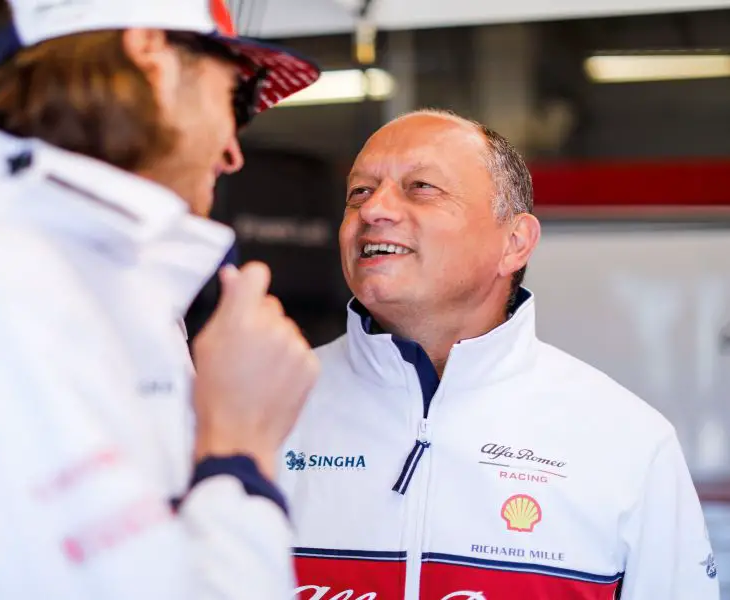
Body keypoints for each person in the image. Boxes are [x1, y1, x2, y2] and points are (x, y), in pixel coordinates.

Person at [0, 0, 322, 598]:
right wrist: (239, 447)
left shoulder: (54, 258)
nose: (233, 153)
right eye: (235, 100)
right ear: (152, 57)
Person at [279, 109, 718, 600]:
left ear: (514, 243)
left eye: (421, 186)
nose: (374, 209)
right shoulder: (257, 408)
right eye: (359, 192)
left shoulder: (630, 441)